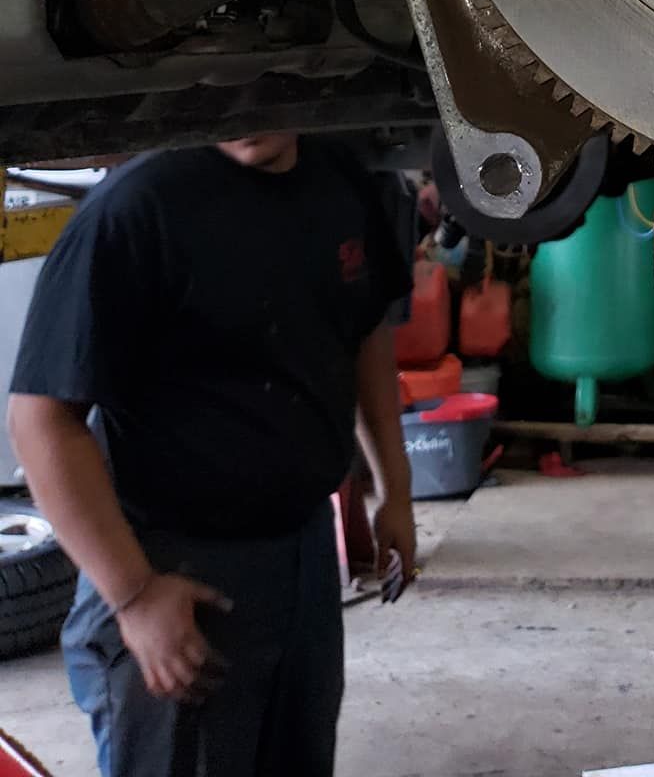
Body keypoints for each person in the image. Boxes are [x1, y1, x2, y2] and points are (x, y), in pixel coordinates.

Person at [7, 132, 416, 777]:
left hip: (303, 553)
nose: (248, 114)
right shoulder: (137, 208)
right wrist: (135, 596)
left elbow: (364, 331)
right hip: (173, 564)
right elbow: (40, 422)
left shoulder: (341, 178)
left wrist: (396, 485)